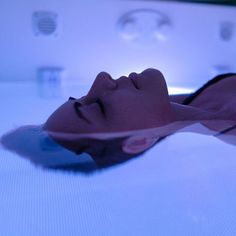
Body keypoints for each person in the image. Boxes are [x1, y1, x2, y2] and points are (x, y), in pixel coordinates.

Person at [43, 68, 236, 168]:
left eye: (83, 97)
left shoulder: (187, 105)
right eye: (98, 106)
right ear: (138, 141)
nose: (102, 78)